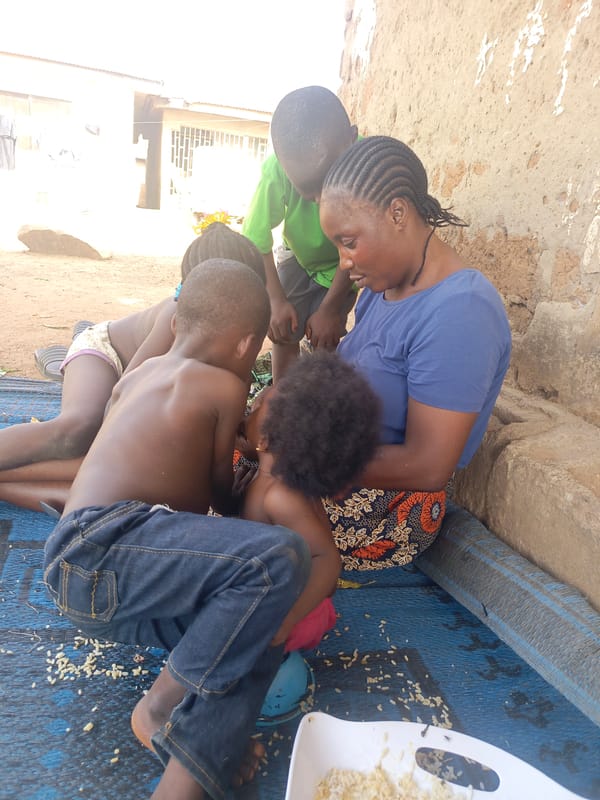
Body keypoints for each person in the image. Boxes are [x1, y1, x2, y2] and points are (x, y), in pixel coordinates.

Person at [42, 258, 312, 800]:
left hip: (88, 572)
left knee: (255, 628)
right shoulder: (221, 386)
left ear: (177, 323)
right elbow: (214, 491)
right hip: (105, 544)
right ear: (244, 345)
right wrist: (248, 489)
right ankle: (163, 703)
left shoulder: (138, 375)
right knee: (278, 559)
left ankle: (193, 768)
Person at [317, 135, 512, 570]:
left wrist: (311, 459)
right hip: (340, 464)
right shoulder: (382, 286)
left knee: (250, 494)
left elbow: (428, 466)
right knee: (218, 450)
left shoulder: (461, 310)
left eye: (348, 241)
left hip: (387, 507)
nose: (343, 262)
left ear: (398, 213)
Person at [0, 223, 266, 510]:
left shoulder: (217, 363)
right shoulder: (173, 318)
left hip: (141, 399)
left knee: (122, 476)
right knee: (82, 430)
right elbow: (121, 396)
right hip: (105, 355)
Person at [236, 350, 381, 652]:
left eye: (258, 404)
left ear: (264, 440)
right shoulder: (263, 478)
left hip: (299, 616)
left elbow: (327, 561)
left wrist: (287, 620)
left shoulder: (281, 496)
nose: (253, 404)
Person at [242, 86, 359, 381]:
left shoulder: (365, 167)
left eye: (327, 186)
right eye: (309, 195)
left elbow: (356, 248)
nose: (322, 204)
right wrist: (276, 301)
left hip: (343, 266)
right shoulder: (276, 171)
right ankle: (281, 396)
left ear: (352, 141)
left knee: (325, 337)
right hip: (299, 258)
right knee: (283, 330)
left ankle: (317, 402)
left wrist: (331, 309)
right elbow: (256, 238)